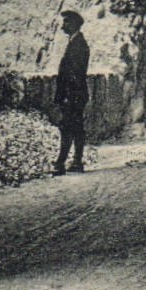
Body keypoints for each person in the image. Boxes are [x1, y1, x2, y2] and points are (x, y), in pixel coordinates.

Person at [53, 10, 90, 174]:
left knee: (68, 127)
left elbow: (74, 73)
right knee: (75, 127)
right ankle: (75, 162)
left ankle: (61, 163)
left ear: (74, 24)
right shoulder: (76, 43)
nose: (63, 26)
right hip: (75, 93)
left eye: (66, 22)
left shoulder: (78, 45)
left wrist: (67, 95)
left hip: (73, 94)